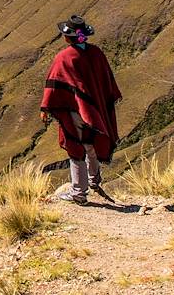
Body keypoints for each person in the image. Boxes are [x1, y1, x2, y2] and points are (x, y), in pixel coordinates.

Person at [40, 15, 122, 204]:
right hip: (96, 109)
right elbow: (107, 81)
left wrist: (45, 107)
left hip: (76, 111)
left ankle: (78, 192)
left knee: (75, 148)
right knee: (90, 144)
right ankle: (94, 180)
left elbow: (53, 85)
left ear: (68, 37)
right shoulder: (96, 53)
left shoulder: (64, 57)